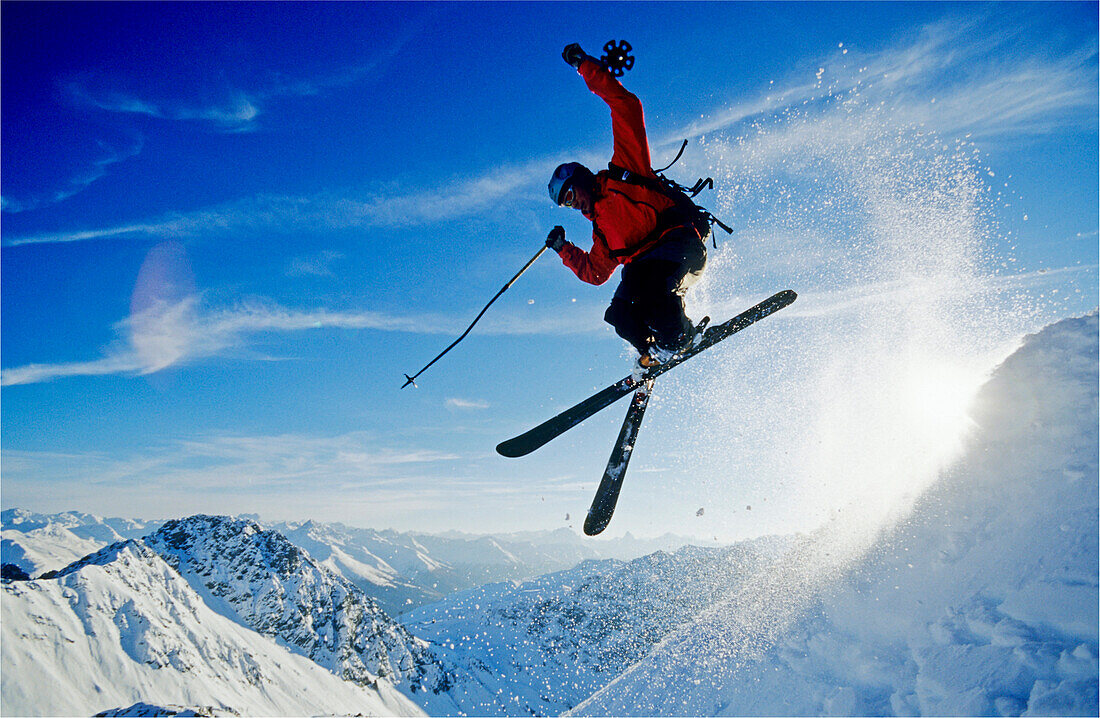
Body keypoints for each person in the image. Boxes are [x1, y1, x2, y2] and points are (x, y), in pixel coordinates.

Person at [546, 42, 710, 370]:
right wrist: (564, 248)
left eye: (570, 193)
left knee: (649, 289)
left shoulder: (625, 171)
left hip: (680, 245)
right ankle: (652, 354)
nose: (571, 203)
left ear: (580, 178)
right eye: (565, 203)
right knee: (620, 315)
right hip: (650, 270)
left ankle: (679, 339)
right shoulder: (602, 232)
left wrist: (586, 66)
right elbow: (595, 273)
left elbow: (626, 107)